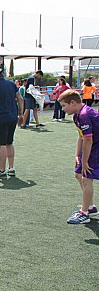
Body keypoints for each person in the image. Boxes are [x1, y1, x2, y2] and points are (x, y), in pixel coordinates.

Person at [58, 89, 99, 224]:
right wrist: (78, 155)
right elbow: (81, 136)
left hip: (95, 147)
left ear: (73, 103)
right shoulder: (77, 115)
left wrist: (85, 161)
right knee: (78, 174)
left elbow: (88, 140)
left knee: (86, 178)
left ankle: (84, 213)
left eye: (64, 106)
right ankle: (90, 207)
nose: (63, 109)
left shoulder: (85, 115)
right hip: (91, 146)